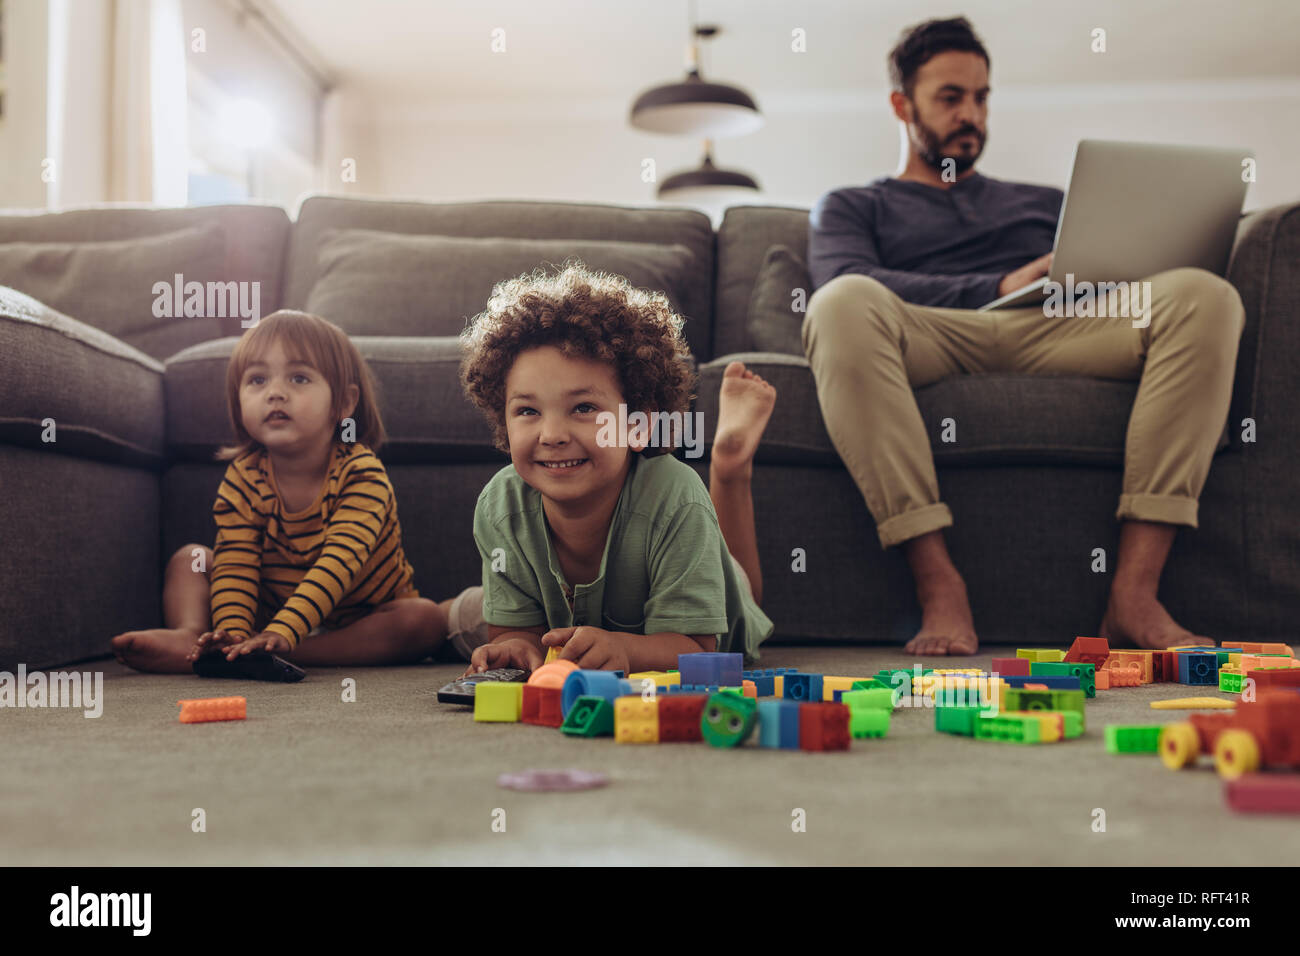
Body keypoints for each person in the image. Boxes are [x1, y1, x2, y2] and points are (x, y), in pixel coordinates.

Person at [804, 17, 1244, 654]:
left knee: (1208, 296)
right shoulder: (853, 204)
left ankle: (1135, 594)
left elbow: (1109, 276)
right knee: (841, 302)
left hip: (1056, 327)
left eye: (981, 98)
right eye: (950, 97)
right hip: (933, 335)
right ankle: (939, 585)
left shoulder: (1043, 202)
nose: (971, 115)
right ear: (903, 106)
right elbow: (846, 277)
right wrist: (1001, 280)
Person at [449, 261, 776, 674]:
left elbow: (698, 649)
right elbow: (519, 632)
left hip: (710, 593)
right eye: (528, 410)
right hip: (578, 617)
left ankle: (729, 466)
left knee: (740, 583)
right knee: (461, 615)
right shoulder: (501, 506)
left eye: (583, 408)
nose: (552, 434)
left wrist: (626, 650)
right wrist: (517, 647)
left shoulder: (676, 497)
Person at [110, 310, 455, 672]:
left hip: (356, 617)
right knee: (191, 559)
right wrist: (232, 631)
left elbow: (338, 563)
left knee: (423, 620)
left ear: (343, 404)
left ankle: (284, 654)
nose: (275, 393)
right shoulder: (244, 478)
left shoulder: (361, 473)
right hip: (271, 609)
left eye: (299, 378)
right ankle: (199, 638)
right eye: (257, 380)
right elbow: (237, 563)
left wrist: (286, 632)